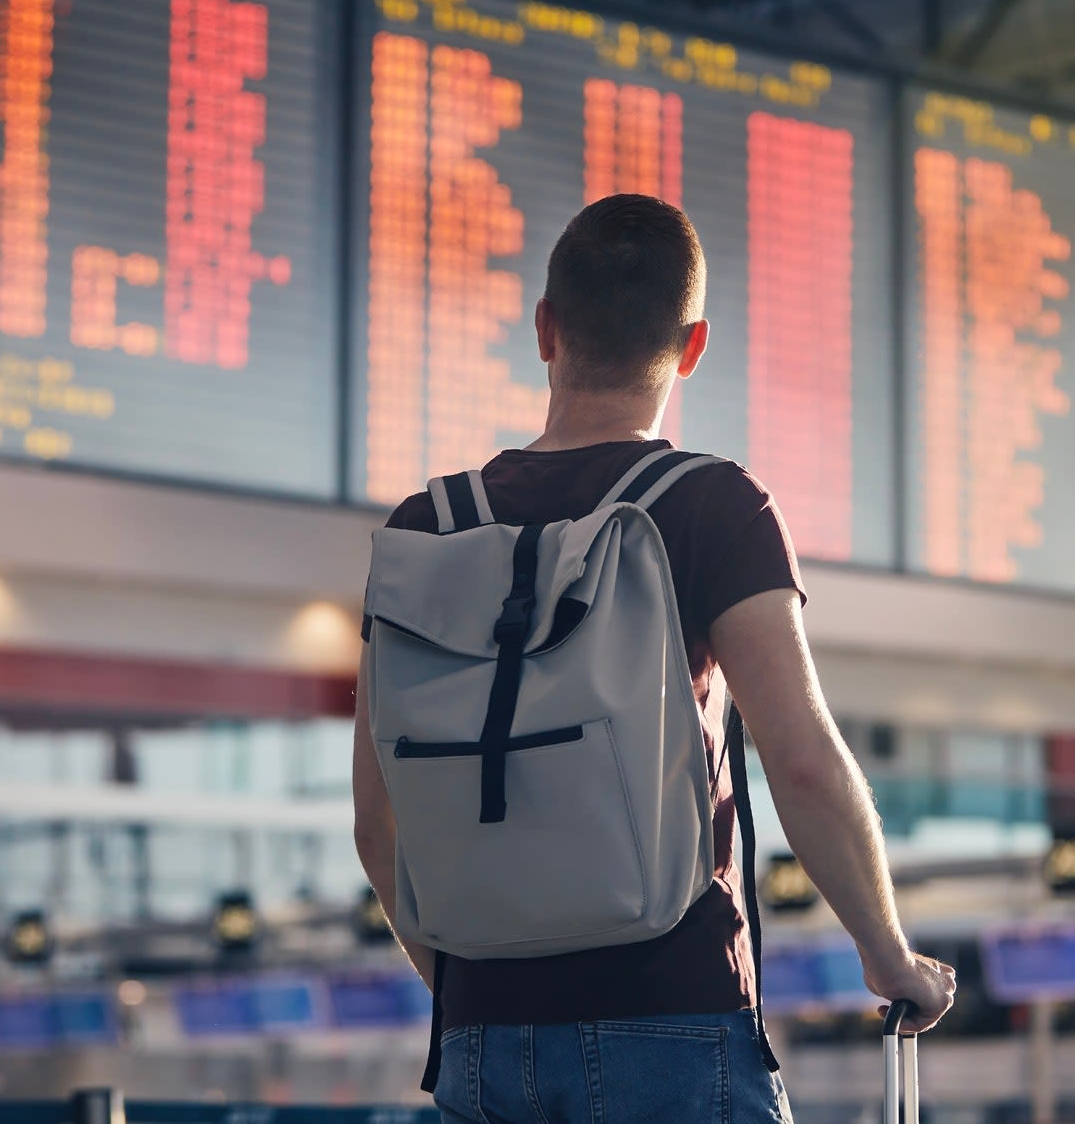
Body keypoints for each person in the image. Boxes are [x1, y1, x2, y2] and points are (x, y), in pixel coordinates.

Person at [352, 194, 955, 1122]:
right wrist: (888, 955)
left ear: (545, 327)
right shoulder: (712, 505)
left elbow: (377, 821)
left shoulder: (422, 528)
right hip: (671, 1011)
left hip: (479, 1036)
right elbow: (800, 756)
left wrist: (474, 994)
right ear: (693, 344)